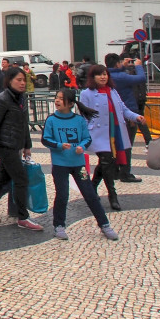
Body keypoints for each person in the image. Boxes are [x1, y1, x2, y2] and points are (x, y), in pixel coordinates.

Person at [41, 88, 118, 241]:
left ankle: (104, 224)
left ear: (70, 103)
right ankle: (59, 226)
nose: (57, 100)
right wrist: (58, 145)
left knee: (90, 194)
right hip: (60, 164)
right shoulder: (51, 120)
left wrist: (82, 146)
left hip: (79, 165)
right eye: (56, 97)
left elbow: (87, 138)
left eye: (61, 98)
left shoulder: (79, 120)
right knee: (62, 195)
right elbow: (45, 139)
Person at [0, 66, 42, 230]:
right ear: (10, 81)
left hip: (16, 143)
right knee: (21, 179)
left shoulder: (21, 98)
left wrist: (27, 145)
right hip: (5, 145)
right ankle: (23, 217)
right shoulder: (2, 99)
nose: (22, 83)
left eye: (23, 80)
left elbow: (24, 123)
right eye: (18, 80)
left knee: (3, 178)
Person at [78, 64, 146, 213]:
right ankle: (112, 196)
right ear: (93, 77)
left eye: (105, 74)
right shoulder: (86, 94)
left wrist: (136, 117)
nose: (103, 77)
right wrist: (82, 136)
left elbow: (123, 109)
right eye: (99, 74)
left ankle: (92, 187)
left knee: (106, 163)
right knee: (107, 161)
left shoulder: (113, 91)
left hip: (115, 132)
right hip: (97, 133)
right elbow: (83, 117)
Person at [105, 54, 149, 182]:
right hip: (128, 112)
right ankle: (125, 172)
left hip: (113, 113)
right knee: (127, 143)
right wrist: (139, 66)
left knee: (114, 143)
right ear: (117, 63)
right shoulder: (122, 77)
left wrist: (122, 67)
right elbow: (141, 78)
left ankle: (115, 171)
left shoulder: (108, 75)